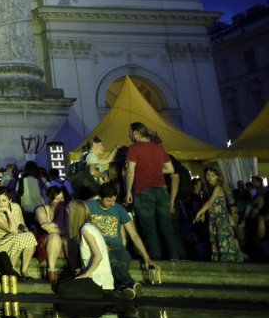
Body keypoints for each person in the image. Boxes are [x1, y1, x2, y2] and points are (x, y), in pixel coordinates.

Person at [125, 121, 183, 260]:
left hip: (143, 191)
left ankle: (157, 261)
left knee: (150, 230)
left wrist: (128, 191)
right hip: (161, 190)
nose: (129, 135)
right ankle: (175, 259)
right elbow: (170, 169)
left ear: (136, 133)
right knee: (166, 228)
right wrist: (155, 170)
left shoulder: (133, 148)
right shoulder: (158, 148)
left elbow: (130, 172)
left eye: (130, 132)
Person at [88, 182, 159, 295]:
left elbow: (134, 235)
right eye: (109, 201)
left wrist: (146, 257)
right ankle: (131, 283)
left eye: (114, 200)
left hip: (118, 246)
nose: (112, 204)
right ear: (100, 197)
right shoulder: (89, 206)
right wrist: (98, 242)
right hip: (98, 246)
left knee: (124, 260)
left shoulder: (119, 209)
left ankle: (121, 288)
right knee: (113, 262)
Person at [67, 200, 128, 298]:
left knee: (62, 289)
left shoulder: (86, 230)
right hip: (99, 279)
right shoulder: (90, 227)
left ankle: (118, 293)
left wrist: (86, 274)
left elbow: (98, 256)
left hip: (98, 281)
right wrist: (83, 269)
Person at [194, 166, 243, 262]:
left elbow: (210, 202)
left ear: (218, 177)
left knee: (224, 244)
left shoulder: (218, 188)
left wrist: (199, 212)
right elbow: (207, 203)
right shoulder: (209, 189)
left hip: (221, 221)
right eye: (207, 175)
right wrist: (203, 213)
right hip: (214, 220)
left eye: (213, 175)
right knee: (217, 244)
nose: (209, 178)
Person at [0, 185, 37, 278]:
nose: (0, 203)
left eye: (4, 200)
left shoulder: (16, 207)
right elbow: (12, 230)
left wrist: (26, 233)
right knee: (19, 238)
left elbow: (22, 225)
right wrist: (7, 211)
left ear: (10, 200)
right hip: (1, 242)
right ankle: (11, 269)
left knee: (29, 235)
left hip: (16, 237)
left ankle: (24, 270)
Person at [36, 184, 71, 283]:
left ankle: (74, 269)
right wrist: (61, 229)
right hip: (43, 241)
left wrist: (54, 226)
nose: (60, 201)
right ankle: (51, 271)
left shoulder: (66, 210)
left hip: (60, 241)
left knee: (67, 238)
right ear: (49, 199)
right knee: (54, 237)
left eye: (62, 198)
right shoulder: (41, 209)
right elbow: (46, 228)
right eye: (57, 199)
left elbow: (70, 229)